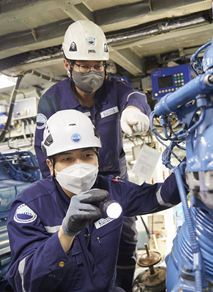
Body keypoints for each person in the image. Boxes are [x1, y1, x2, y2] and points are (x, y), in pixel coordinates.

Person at [7, 110, 181, 291]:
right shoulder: (30, 206)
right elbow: (25, 283)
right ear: (51, 165)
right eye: (67, 158)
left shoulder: (112, 189)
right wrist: (65, 235)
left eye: (87, 155)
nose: (79, 165)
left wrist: (189, 170)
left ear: (97, 158)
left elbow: (157, 197)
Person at [34, 20, 151, 290]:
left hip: (113, 181)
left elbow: (134, 96)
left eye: (98, 66)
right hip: (72, 184)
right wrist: (59, 193)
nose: (92, 72)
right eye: (84, 67)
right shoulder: (52, 99)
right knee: (80, 242)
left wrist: (134, 111)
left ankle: (121, 286)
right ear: (68, 65)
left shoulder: (115, 87)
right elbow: (44, 153)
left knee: (125, 238)